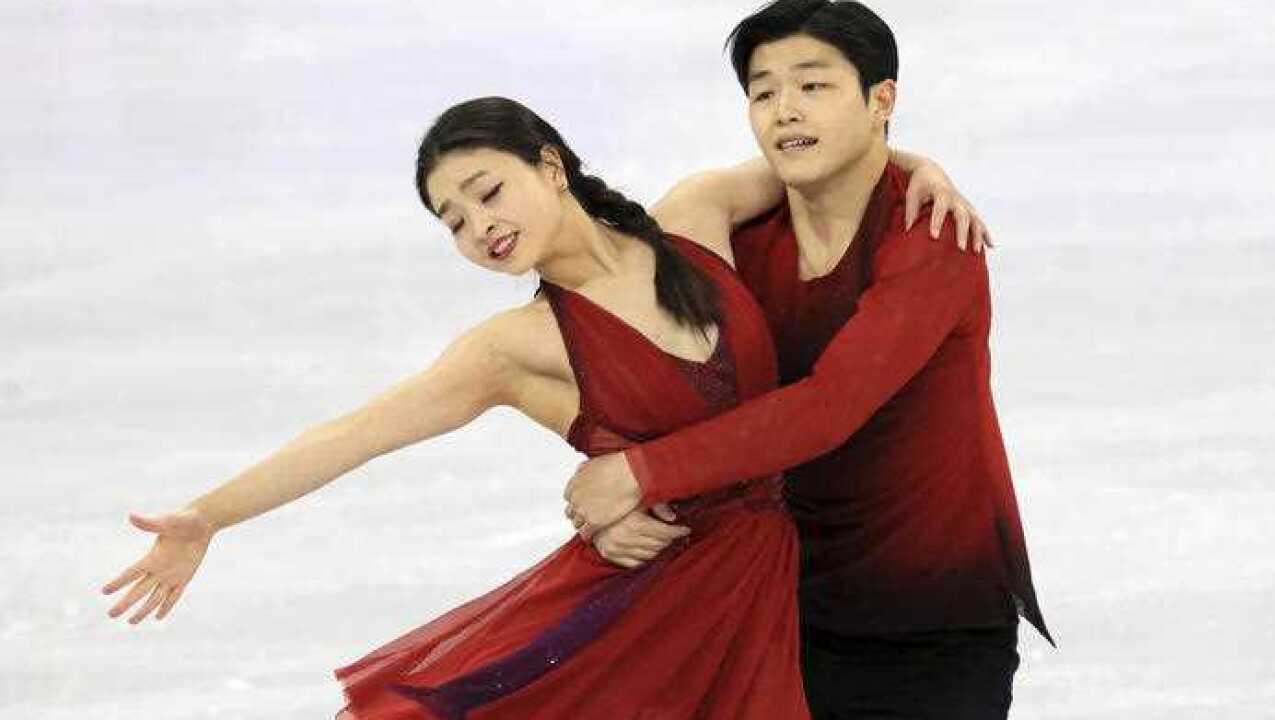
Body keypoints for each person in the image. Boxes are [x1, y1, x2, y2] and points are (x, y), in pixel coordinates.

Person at [98, 94, 978, 718]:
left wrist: (924, 166)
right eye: (452, 221)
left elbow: (826, 157)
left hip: (759, 593)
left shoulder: (693, 218)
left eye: (487, 192)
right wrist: (208, 517)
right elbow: (355, 435)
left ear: (550, 166)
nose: (478, 226)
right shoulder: (513, 349)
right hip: (638, 609)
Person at [563, 2, 1054, 719]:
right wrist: (623, 500)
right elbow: (652, 376)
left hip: (933, 626)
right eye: (763, 92)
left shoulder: (932, 237)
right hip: (777, 611)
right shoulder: (737, 239)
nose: (785, 110)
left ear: (881, 99)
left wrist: (638, 474)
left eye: (813, 85)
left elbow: (830, 406)